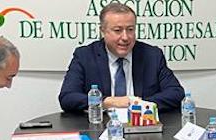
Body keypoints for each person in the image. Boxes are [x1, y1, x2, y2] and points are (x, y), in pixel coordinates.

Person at [57, 2, 185, 113]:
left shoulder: (152, 55)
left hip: (142, 125)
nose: (125, 37)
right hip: (102, 126)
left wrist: (138, 104)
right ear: (103, 31)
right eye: (117, 30)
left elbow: (176, 93)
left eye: (130, 29)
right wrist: (108, 102)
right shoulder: (85, 56)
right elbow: (67, 97)